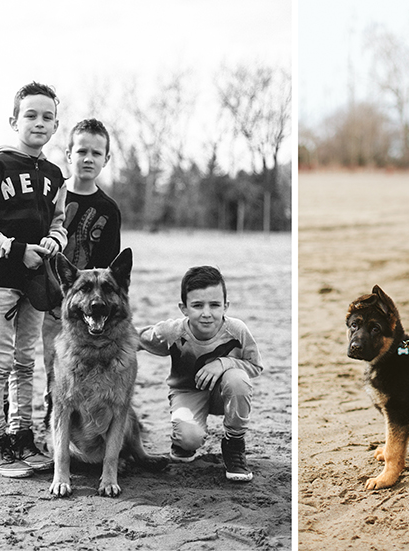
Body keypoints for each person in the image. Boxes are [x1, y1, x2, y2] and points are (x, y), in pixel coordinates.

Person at [0, 81, 67, 478]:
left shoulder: (56, 175)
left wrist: (54, 242)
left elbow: (59, 223)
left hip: (35, 282)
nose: (39, 122)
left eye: (47, 117)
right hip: (1, 280)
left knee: (26, 362)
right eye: (31, 115)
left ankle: (21, 436)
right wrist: (13, 248)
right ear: (14, 120)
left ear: (56, 126)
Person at [138, 266, 264, 482]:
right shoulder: (172, 331)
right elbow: (134, 339)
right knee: (189, 440)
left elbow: (255, 366)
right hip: (187, 392)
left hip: (223, 394)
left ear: (226, 306)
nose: (206, 313)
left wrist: (223, 363)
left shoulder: (237, 330)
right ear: (183, 308)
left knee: (237, 379)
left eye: (215, 305)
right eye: (197, 305)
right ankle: (183, 443)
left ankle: (234, 443)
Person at [41, 118, 121, 424]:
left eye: (96, 153)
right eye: (82, 150)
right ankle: (52, 426)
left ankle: (86, 429)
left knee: (85, 368)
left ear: (106, 159)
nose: (88, 158)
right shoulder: (52, 198)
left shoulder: (108, 209)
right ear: (68, 153)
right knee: (52, 366)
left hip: (90, 309)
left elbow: (109, 268)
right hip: (50, 302)